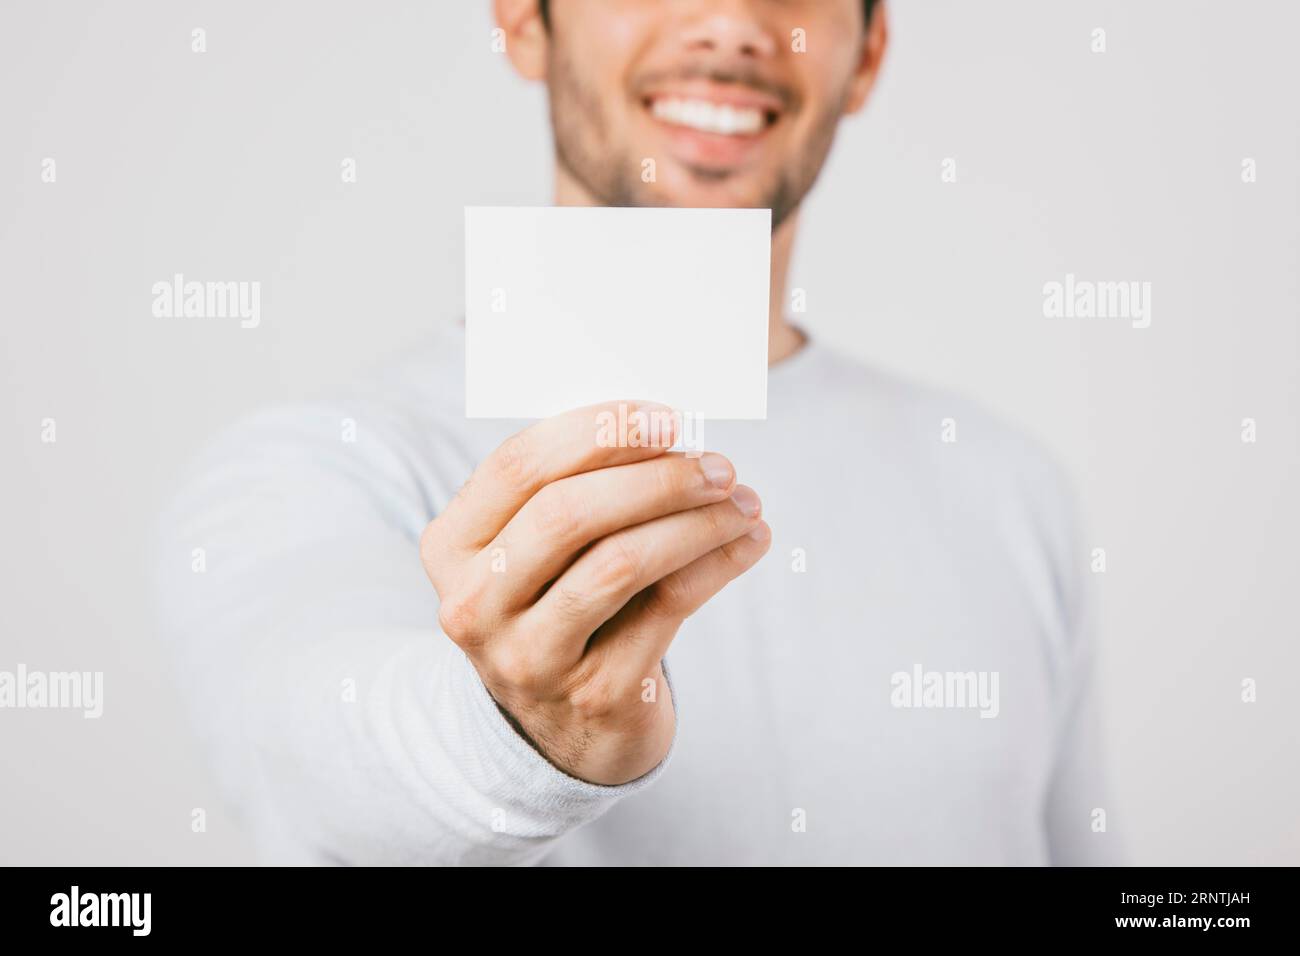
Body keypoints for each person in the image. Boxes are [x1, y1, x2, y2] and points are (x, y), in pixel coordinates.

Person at [155, 0, 1122, 865]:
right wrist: (524, 733)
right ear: (526, 20)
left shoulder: (1005, 483)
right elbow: (316, 762)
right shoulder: (323, 465)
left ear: (867, 53)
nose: (732, 21)